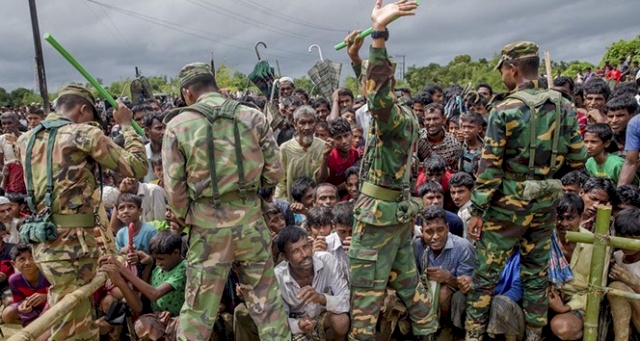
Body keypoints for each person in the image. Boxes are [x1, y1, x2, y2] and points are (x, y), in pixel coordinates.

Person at [465, 42, 587, 341]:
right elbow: (578, 157)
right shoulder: (564, 105)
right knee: (536, 274)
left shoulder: (504, 108)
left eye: (503, 70)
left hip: (507, 206)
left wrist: (477, 210)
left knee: (485, 277)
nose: (502, 77)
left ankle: (473, 336)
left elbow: (490, 167)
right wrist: (546, 171)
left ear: (513, 68)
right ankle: (534, 335)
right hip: (544, 201)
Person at [163, 62, 290, 340]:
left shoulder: (178, 125)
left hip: (208, 227)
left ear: (187, 93)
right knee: (267, 304)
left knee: (198, 311)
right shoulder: (253, 116)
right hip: (251, 222)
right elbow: (275, 172)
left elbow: (174, 190)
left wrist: (189, 217)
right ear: (216, 86)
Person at [16, 84, 148, 340]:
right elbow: (138, 167)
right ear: (83, 109)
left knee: (74, 317)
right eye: (91, 117)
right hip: (73, 246)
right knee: (71, 325)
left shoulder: (26, 139)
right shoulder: (82, 134)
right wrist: (127, 126)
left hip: (44, 242)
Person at [342, 1, 435, 340]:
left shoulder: (392, 119)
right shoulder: (403, 118)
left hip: (377, 219)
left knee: (366, 293)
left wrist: (379, 36)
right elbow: (374, 95)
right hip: (394, 214)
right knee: (409, 281)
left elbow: (377, 98)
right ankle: (429, 331)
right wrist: (355, 59)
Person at [275, 226, 350, 340]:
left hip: (322, 319)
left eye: (306, 246)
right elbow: (278, 320)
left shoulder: (327, 260)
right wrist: (299, 325)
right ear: (285, 257)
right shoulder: (278, 276)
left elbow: (345, 300)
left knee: (341, 321)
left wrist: (321, 298)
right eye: (296, 251)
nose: (304, 254)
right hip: (297, 325)